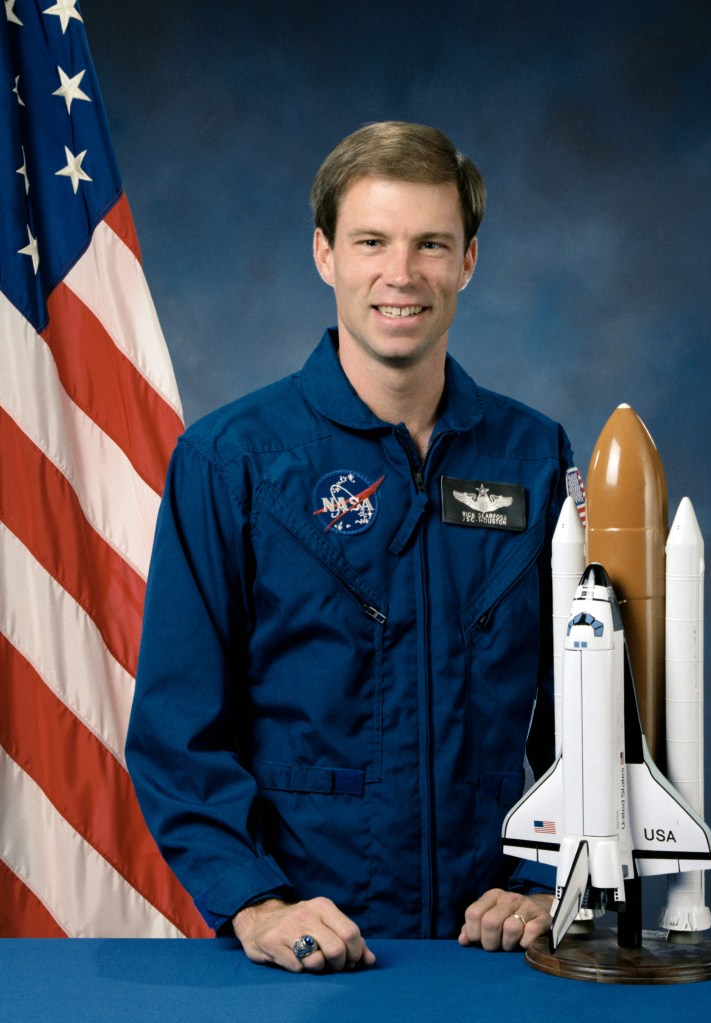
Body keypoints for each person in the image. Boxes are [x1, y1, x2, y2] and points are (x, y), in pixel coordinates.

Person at [126, 121, 573, 973]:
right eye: (371, 241)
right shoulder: (233, 460)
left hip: (495, 946)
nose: (400, 274)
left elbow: (581, 714)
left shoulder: (532, 456)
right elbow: (176, 727)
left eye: (430, 244)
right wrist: (256, 902)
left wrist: (545, 875)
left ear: (468, 261)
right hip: (300, 942)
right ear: (325, 254)